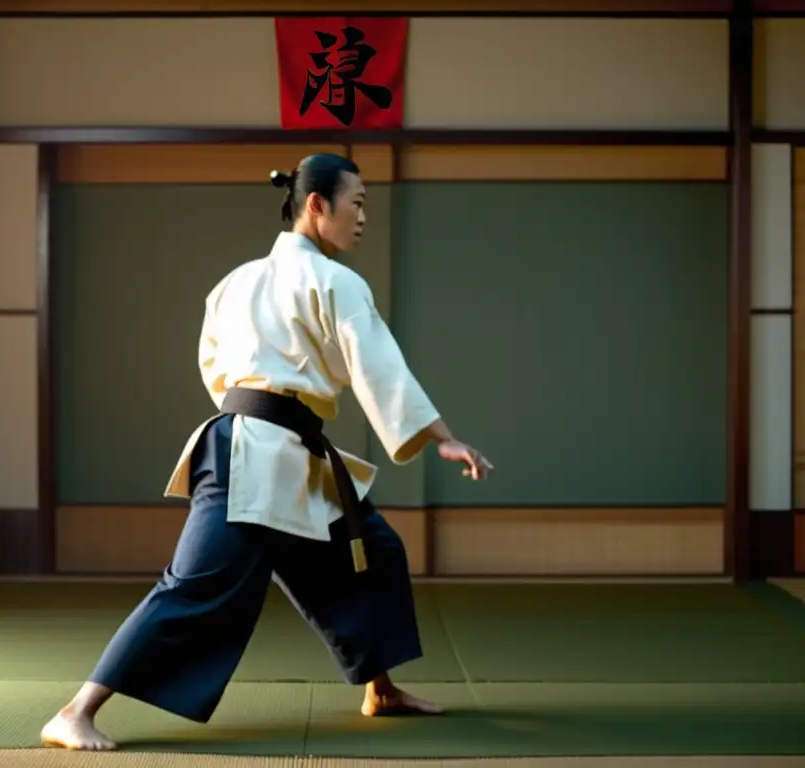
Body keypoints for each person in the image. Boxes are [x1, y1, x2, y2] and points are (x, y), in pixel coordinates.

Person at [40, 153, 495, 751]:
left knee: (371, 552)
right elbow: (379, 367)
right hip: (250, 458)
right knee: (194, 586)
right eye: (355, 203)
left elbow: (214, 364)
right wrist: (442, 436)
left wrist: (259, 406)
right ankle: (75, 711)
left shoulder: (235, 281)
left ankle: (379, 688)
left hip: (279, 451)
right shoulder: (336, 282)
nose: (362, 217)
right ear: (317, 205)